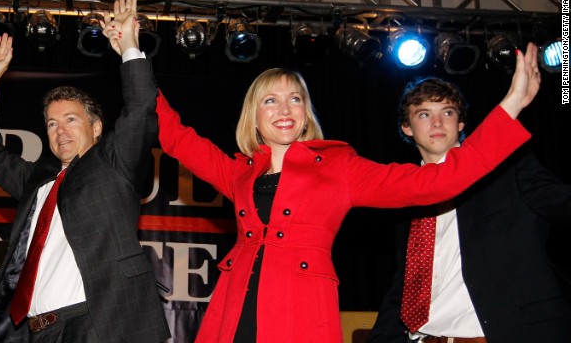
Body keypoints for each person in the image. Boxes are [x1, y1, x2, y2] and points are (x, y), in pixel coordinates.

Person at [140, 38, 542, 342]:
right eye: (271, 101)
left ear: (305, 112)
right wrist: (131, 53)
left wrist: (511, 105)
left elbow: (436, 182)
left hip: (299, 316)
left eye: (295, 99)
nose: (284, 109)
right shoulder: (238, 173)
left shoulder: (338, 168)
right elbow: (175, 137)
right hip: (233, 311)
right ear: (255, 116)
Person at [0, 0, 170, 343]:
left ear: (96, 128)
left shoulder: (113, 164)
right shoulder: (37, 181)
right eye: (50, 124)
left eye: (71, 119)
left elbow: (139, 111)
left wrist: (129, 47)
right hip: (38, 331)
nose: (59, 130)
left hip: (96, 323)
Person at [366, 77, 571, 343]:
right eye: (424, 114)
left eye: (448, 112)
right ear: (407, 128)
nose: (438, 123)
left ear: (460, 124)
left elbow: (562, 202)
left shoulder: (508, 170)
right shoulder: (405, 198)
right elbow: (406, 284)